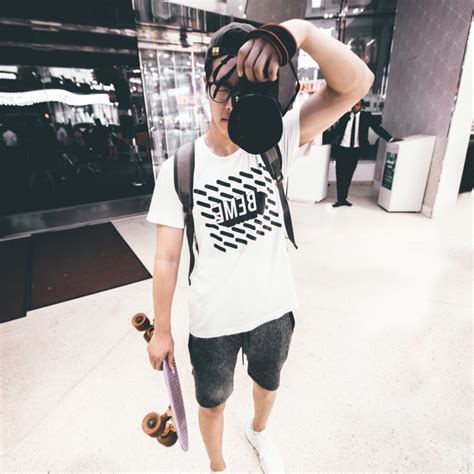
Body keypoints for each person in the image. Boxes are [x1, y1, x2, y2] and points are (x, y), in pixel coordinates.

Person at [146, 19, 374, 473]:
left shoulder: (277, 141)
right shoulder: (180, 167)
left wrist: (300, 33)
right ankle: (217, 466)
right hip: (212, 320)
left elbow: (356, 85)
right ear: (206, 88)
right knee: (211, 403)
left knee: (268, 385)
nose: (231, 103)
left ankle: (259, 433)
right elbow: (167, 257)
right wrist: (163, 329)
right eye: (222, 89)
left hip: (273, 308)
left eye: (245, 89)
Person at [329, 99, 399, 207]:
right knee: (340, 174)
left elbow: (377, 128)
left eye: (357, 104)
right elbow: (336, 131)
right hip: (342, 149)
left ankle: (343, 198)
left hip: (355, 150)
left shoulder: (366, 116)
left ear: (361, 106)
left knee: (348, 174)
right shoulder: (345, 116)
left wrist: (390, 139)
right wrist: (322, 138)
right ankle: (340, 199)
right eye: (353, 104)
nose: (354, 106)